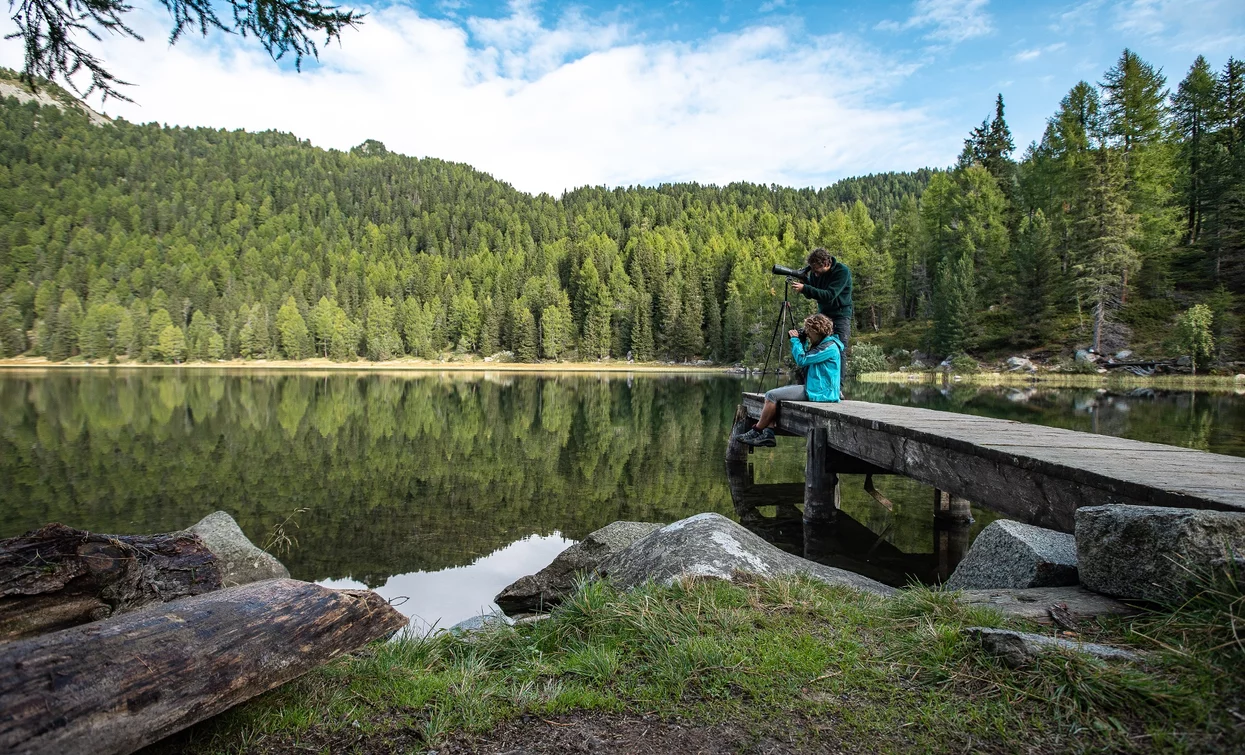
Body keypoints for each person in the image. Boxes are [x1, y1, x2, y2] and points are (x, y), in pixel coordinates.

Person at [739, 314, 843, 447]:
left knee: (771, 395)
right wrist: (803, 341)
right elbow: (806, 357)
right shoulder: (823, 344)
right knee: (774, 396)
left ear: (817, 331)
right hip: (817, 388)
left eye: (809, 332)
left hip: (821, 391)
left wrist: (795, 340)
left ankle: (757, 430)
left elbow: (802, 360)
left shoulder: (829, 347)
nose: (808, 335)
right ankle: (768, 434)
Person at [791, 247, 853, 351]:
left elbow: (829, 295)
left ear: (825, 263)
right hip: (823, 315)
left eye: (816, 270)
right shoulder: (816, 273)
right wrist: (804, 281)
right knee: (819, 348)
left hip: (840, 316)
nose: (815, 273)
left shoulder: (841, 271)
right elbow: (812, 293)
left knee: (839, 349)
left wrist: (805, 288)